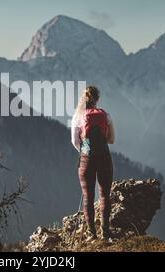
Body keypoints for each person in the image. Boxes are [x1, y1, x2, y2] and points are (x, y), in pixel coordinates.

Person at [71, 86, 115, 241]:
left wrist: (85, 152)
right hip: (104, 158)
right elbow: (111, 140)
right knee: (105, 196)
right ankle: (106, 233)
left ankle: (91, 234)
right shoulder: (105, 115)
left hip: (86, 159)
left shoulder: (78, 117)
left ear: (84, 98)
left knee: (88, 197)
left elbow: (75, 142)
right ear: (97, 99)